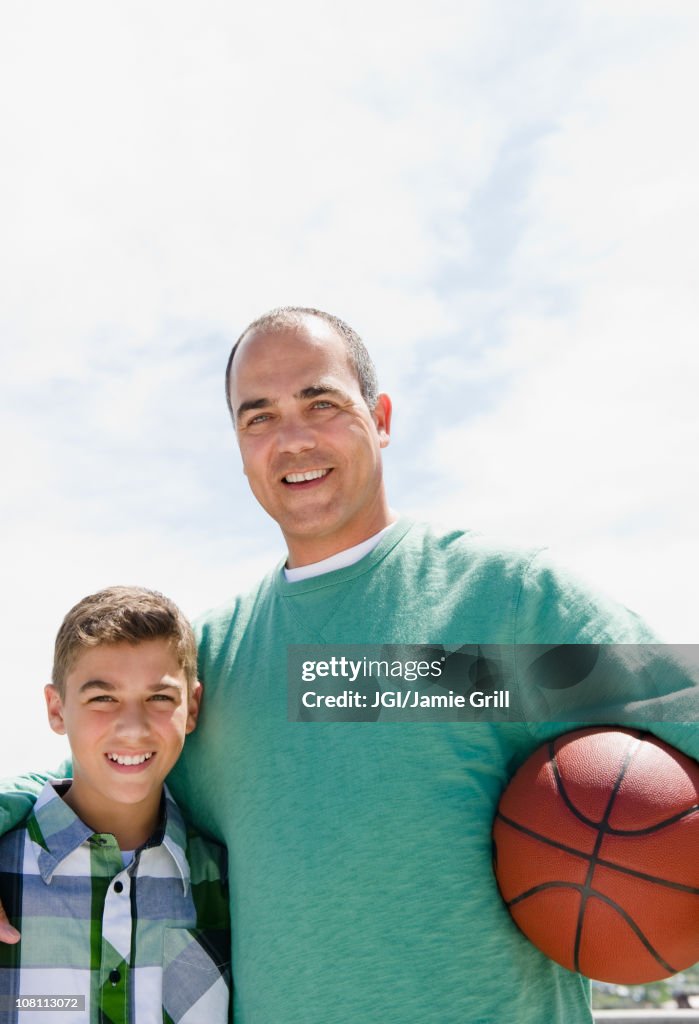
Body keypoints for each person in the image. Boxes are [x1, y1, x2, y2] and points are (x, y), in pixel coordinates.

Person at [0, 308, 697, 1024]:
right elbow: (104, 766)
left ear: (381, 415)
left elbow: (687, 710)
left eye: (321, 402)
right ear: (239, 448)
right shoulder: (218, 658)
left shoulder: (499, 601)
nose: (292, 438)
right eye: (258, 417)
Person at [0, 586, 230, 1023]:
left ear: (192, 706)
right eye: (102, 698)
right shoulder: (4, 867)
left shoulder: (224, 883)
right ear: (57, 709)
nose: (132, 728)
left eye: (159, 698)